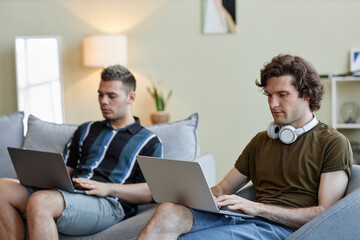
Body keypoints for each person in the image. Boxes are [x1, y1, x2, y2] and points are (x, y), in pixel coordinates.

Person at [138, 54, 353, 240]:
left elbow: (325, 214)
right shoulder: (261, 141)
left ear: (306, 95)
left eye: (282, 95)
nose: (272, 104)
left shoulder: (332, 143)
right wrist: (187, 193)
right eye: (269, 95)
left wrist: (257, 207)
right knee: (168, 212)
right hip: (244, 220)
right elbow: (222, 189)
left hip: (283, 230)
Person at [0, 65, 163, 239]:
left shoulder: (148, 141)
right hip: (72, 193)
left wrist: (108, 188)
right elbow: (66, 170)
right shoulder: (86, 130)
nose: (103, 101)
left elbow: (150, 191)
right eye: (100, 94)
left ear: (131, 97)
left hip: (109, 204)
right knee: (3, 188)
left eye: (111, 96)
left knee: (40, 202)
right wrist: (40, 175)